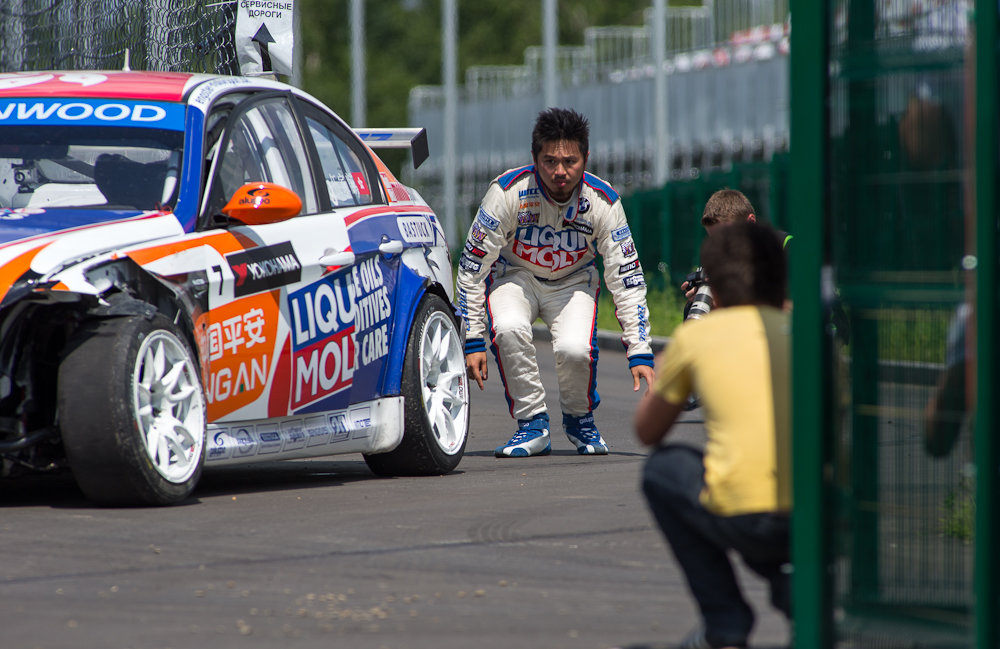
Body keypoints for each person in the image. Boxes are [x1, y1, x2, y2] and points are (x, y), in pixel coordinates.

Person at [455, 107, 655, 458]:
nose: (560, 172)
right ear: (534, 158)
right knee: (510, 327)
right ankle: (532, 423)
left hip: (574, 282)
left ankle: (580, 419)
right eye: (549, 161)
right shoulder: (506, 193)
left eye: (570, 161)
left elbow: (626, 278)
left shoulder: (604, 202)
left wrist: (639, 349)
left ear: (586, 157)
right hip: (515, 277)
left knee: (575, 349)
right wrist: (473, 339)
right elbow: (472, 268)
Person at [634, 222, 791, 649]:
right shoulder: (811, 335)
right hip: (818, 517)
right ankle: (795, 595)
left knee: (664, 469)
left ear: (714, 294)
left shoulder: (699, 335)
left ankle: (725, 620)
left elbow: (647, 431)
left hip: (741, 515)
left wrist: (668, 369)